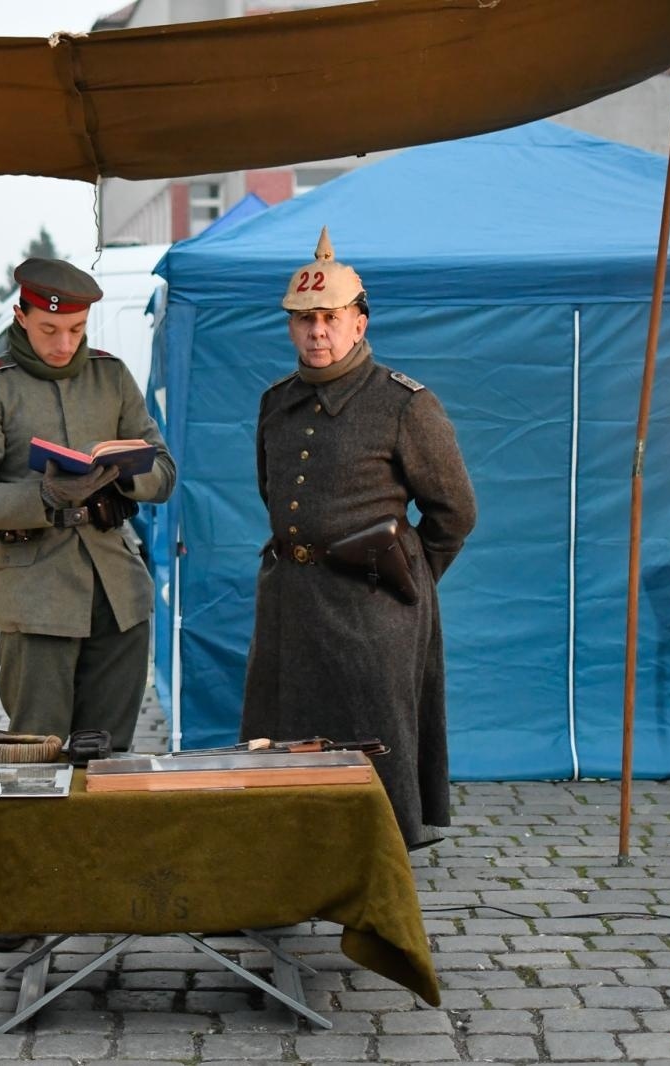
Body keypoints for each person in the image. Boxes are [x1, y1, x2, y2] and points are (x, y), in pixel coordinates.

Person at [241, 228, 476, 850]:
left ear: (359, 324)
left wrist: (401, 575)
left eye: (331, 318)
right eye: (305, 320)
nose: (317, 332)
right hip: (291, 604)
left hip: (371, 609)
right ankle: (290, 855)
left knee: (374, 740)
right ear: (291, 327)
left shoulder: (404, 405)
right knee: (284, 736)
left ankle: (380, 865)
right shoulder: (275, 403)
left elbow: (455, 511)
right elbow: (272, 494)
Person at [0, 258, 176, 749]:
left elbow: (164, 471)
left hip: (116, 591)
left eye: (76, 328)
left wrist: (124, 473)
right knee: (39, 751)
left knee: (107, 753)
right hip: (35, 594)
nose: (65, 344)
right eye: (49, 329)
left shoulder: (111, 376)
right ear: (21, 316)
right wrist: (45, 495)